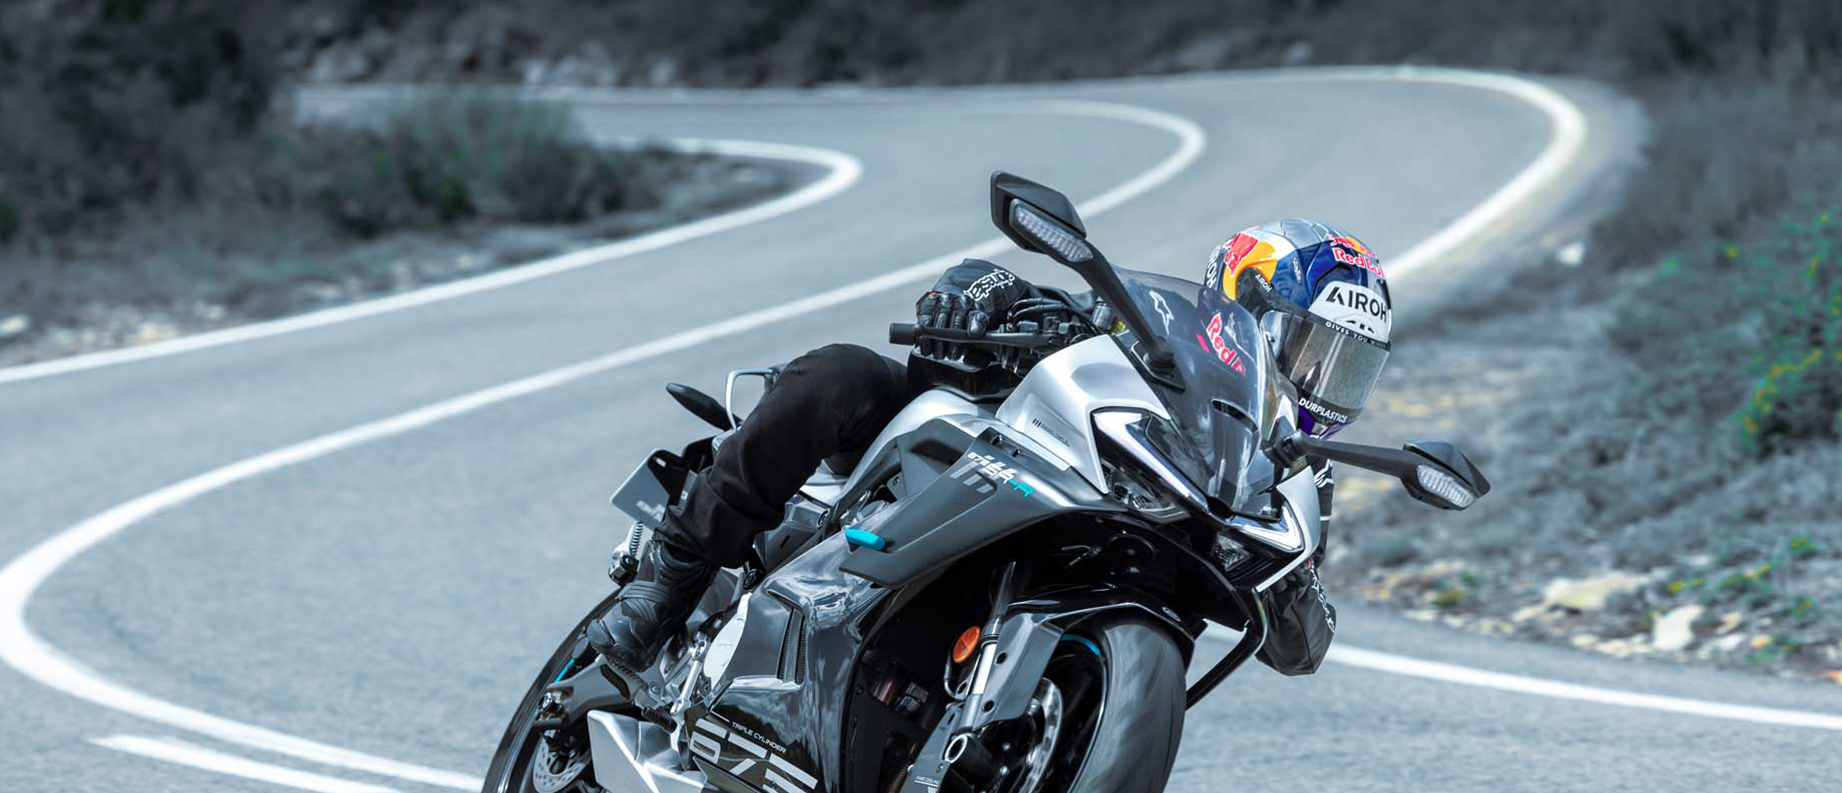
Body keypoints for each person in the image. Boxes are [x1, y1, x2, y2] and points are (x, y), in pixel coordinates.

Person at [586, 220, 1394, 683]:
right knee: (840, 377)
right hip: (990, 470)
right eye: (1310, 347)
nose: (1319, 380)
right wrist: (983, 290)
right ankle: (671, 580)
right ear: (1242, 304)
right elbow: (1016, 291)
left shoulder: (1293, 479)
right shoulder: (1151, 332)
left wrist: (1290, 584)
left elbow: (1303, 647)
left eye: (1347, 366)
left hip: (1101, 577)